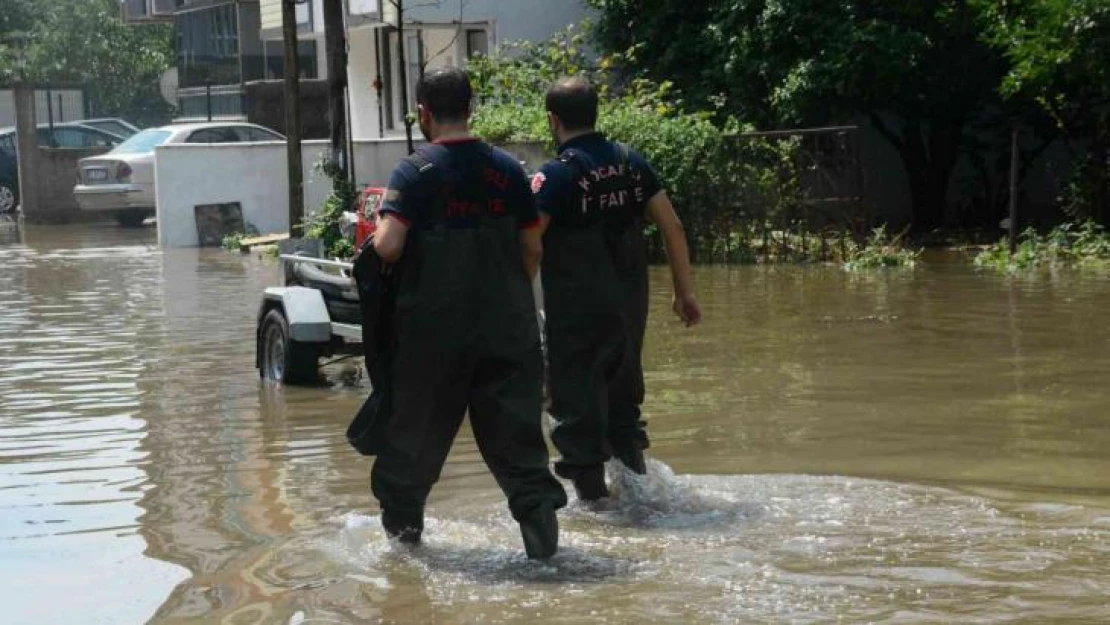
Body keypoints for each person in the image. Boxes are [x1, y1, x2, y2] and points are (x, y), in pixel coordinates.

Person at [369, 68, 567, 558]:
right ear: (471, 108)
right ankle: (545, 558)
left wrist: (376, 225)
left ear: (423, 114)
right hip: (509, 332)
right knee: (522, 452)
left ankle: (404, 569)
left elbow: (390, 248)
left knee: (410, 456)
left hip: (433, 338)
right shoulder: (510, 170)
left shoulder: (413, 171)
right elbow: (532, 250)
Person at [533, 76, 702, 501]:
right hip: (628, 314)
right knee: (624, 408)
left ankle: (598, 512)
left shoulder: (555, 175)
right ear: (596, 113)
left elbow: (528, 243)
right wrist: (685, 293)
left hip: (575, 318)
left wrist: (511, 302)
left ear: (553, 120)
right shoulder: (632, 162)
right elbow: (673, 228)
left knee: (576, 414)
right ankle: (638, 499)